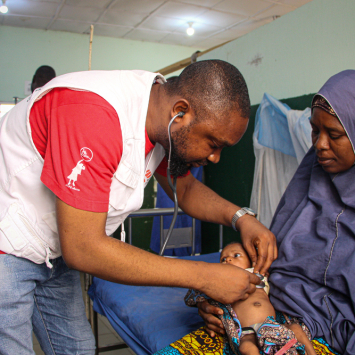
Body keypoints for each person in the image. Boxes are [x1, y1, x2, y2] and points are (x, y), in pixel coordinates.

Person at [0, 60, 276, 354]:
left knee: (76, 348)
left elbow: (185, 188)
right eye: (213, 143)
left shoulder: (159, 117)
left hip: (53, 249)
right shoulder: (94, 114)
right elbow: (83, 247)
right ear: (179, 111)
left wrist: (242, 218)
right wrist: (205, 276)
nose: (215, 158)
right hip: (9, 240)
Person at [197, 70, 355, 355]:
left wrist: (307, 326)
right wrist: (215, 301)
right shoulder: (311, 177)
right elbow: (269, 269)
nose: (318, 144)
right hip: (271, 314)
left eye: (334, 134)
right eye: (314, 130)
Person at [181, 243, 315, 355]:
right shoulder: (222, 282)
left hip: (272, 324)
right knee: (246, 347)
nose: (228, 260)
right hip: (248, 330)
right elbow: (197, 293)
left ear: (252, 261)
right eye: (223, 259)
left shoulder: (259, 275)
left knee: (296, 328)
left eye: (236, 255)